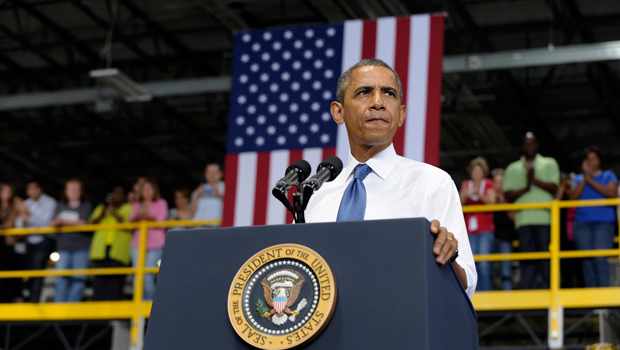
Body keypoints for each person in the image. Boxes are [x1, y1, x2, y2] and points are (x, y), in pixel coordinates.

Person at [304, 58, 477, 298]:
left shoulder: (431, 183)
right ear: (338, 112)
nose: (378, 103)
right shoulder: (316, 194)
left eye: (389, 94)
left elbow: (466, 285)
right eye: (364, 92)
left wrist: (447, 259)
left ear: (401, 113)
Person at [503, 132, 559, 289]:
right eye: (526, 144)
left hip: (544, 218)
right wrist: (526, 186)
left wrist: (534, 179)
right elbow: (507, 193)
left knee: (545, 255)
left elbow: (554, 187)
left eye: (532, 143)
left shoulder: (549, 163)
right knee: (526, 257)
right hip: (523, 219)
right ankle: (529, 290)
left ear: (537, 145)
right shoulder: (513, 168)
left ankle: (550, 288)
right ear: (523, 147)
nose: (529, 146)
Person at [567, 146, 618, 287]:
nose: (592, 162)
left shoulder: (608, 175)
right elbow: (572, 198)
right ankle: (591, 301)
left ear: (600, 160)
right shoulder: (579, 178)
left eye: (594, 158)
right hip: (582, 224)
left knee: (600, 258)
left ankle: (603, 300)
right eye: (588, 159)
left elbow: (612, 194)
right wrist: (585, 178)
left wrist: (591, 180)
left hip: (603, 224)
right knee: (586, 260)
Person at [50, 179, 93, 302]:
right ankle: (59, 310)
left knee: (78, 279)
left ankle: (72, 309)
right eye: (70, 189)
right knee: (60, 279)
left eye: (76, 189)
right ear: (66, 191)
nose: (73, 192)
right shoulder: (60, 205)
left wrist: (62, 222)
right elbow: (53, 222)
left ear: (81, 192)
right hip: (63, 247)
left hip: (82, 248)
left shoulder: (86, 205)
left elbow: (83, 224)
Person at [89, 186, 133, 301]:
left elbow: (127, 224)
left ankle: (112, 311)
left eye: (119, 193)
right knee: (99, 281)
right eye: (114, 193)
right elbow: (92, 224)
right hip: (101, 251)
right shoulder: (101, 208)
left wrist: (113, 211)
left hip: (118, 252)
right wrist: (102, 213)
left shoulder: (128, 207)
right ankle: (97, 311)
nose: (116, 195)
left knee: (115, 281)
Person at [459, 157, 496, 291]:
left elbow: (492, 202)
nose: (476, 174)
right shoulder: (465, 184)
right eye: (474, 171)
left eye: (479, 171)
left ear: (484, 172)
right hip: (470, 229)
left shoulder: (489, 184)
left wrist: (478, 195)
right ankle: (475, 293)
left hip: (485, 228)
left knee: (484, 264)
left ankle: (486, 292)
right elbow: (459, 204)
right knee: (472, 263)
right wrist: (464, 194)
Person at [129, 178, 168, 300]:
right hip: (137, 244)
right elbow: (129, 223)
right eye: (144, 189)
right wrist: (137, 215)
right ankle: (137, 310)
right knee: (137, 276)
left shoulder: (161, 203)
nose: (146, 191)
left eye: (149, 189)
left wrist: (146, 215)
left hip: (155, 244)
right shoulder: (136, 204)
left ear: (154, 190)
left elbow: (162, 223)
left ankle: (147, 308)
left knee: (147, 276)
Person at [23, 181, 57, 302]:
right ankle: (28, 298)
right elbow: (19, 224)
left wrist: (28, 216)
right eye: (29, 189)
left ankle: (34, 301)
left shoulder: (50, 202)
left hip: (45, 241)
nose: (32, 191)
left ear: (41, 189)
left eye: (35, 188)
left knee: (37, 270)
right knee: (28, 271)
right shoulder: (25, 203)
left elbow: (46, 224)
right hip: (28, 242)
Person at [0, 183, 28, 303]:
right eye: (5, 191)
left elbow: (25, 216)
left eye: (9, 191)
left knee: (10, 273)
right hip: (3, 243)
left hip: (10, 244)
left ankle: (10, 299)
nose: (7, 194)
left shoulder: (15, 204)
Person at [491, 169, 516, 290]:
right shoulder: (488, 198)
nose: (499, 185)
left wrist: (504, 205)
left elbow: (515, 219)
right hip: (490, 236)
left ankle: (508, 295)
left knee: (506, 270)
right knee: (486, 268)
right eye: (496, 182)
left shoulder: (510, 198)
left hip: (505, 236)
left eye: (501, 182)